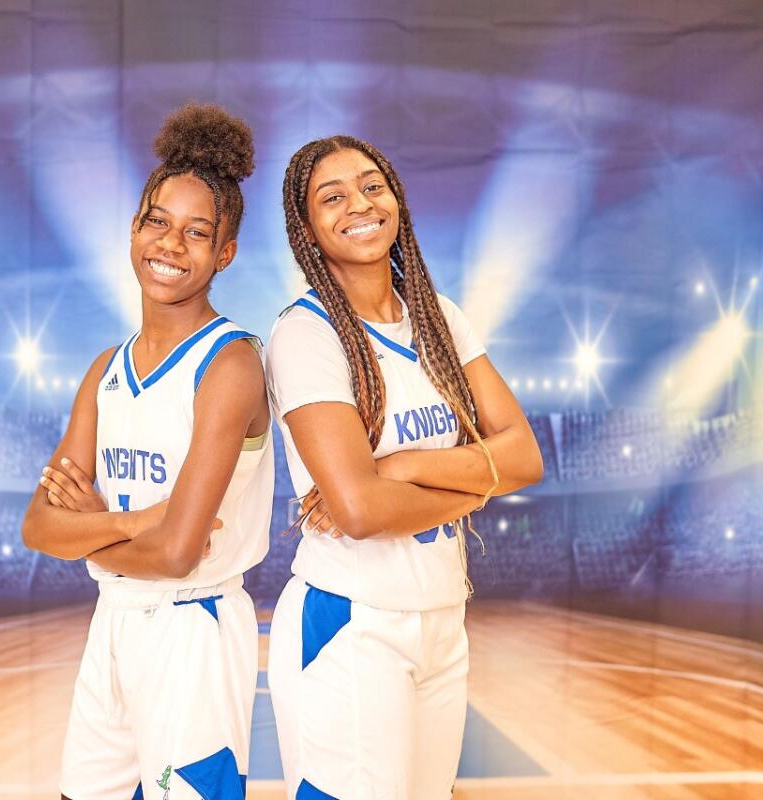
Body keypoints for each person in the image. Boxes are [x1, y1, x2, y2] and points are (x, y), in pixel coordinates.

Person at [265, 135, 544, 798]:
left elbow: (525, 457)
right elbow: (359, 513)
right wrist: (475, 485)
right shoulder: (306, 334)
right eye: (331, 197)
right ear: (307, 229)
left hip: (443, 616)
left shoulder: (439, 318)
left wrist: (402, 466)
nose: (358, 204)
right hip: (352, 625)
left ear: (396, 200)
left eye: (371, 186)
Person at [21, 103, 273, 800]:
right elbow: (39, 527)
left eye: (198, 232)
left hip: (192, 629)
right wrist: (132, 520)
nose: (170, 243)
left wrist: (92, 531)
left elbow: (177, 553)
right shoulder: (105, 369)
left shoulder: (230, 366)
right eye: (157, 221)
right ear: (134, 229)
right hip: (114, 624)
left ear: (224, 253)